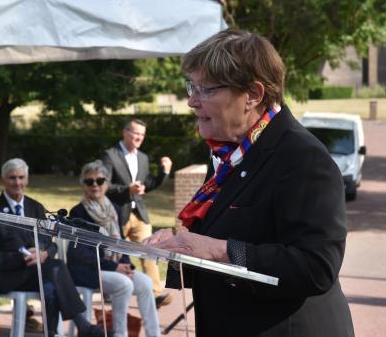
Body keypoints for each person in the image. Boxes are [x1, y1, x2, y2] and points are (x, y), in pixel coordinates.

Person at [144, 29, 355, 336]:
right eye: (192, 86)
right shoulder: (229, 152)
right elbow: (229, 235)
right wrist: (179, 246)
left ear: (253, 95)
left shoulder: (302, 158)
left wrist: (217, 250)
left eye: (206, 90)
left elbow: (316, 267)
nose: (191, 101)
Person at [0, 158, 107, 337]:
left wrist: (44, 253)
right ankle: (82, 324)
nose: (17, 182)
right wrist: (23, 258)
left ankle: (53, 333)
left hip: (39, 272)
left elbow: (50, 244)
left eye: (21, 177)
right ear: (3, 180)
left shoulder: (36, 208)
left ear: (27, 180)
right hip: (8, 276)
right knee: (55, 268)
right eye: (12, 178)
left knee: (49, 283)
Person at [67, 160, 161, 337]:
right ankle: (120, 334)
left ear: (106, 184)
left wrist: (127, 266)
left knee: (145, 282)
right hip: (86, 270)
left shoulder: (114, 209)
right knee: (124, 284)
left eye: (100, 181)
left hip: (113, 268)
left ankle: (154, 334)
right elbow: (80, 254)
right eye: (89, 181)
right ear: (83, 185)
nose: (95, 185)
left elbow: (121, 242)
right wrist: (115, 267)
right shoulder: (77, 213)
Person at [101, 118, 173, 307]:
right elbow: (103, 185)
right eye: (135, 133)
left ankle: (156, 294)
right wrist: (127, 189)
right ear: (125, 132)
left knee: (149, 250)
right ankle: (110, 288)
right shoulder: (110, 155)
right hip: (116, 213)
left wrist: (163, 173)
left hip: (139, 213)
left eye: (142, 134)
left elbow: (146, 185)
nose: (139, 137)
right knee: (114, 252)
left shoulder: (142, 157)